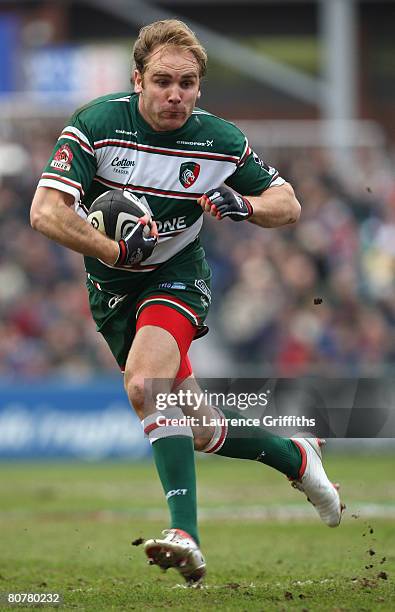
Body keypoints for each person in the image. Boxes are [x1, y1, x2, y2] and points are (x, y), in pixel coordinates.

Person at [30, 19, 344, 586]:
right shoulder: (97, 125)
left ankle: (185, 533)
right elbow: (45, 212)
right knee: (201, 430)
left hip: (176, 278)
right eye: (163, 81)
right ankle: (298, 457)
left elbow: (288, 204)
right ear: (138, 81)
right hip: (112, 289)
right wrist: (113, 248)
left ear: (199, 86)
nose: (176, 94)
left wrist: (245, 206)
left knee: (144, 384)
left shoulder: (218, 141)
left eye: (188, 82)